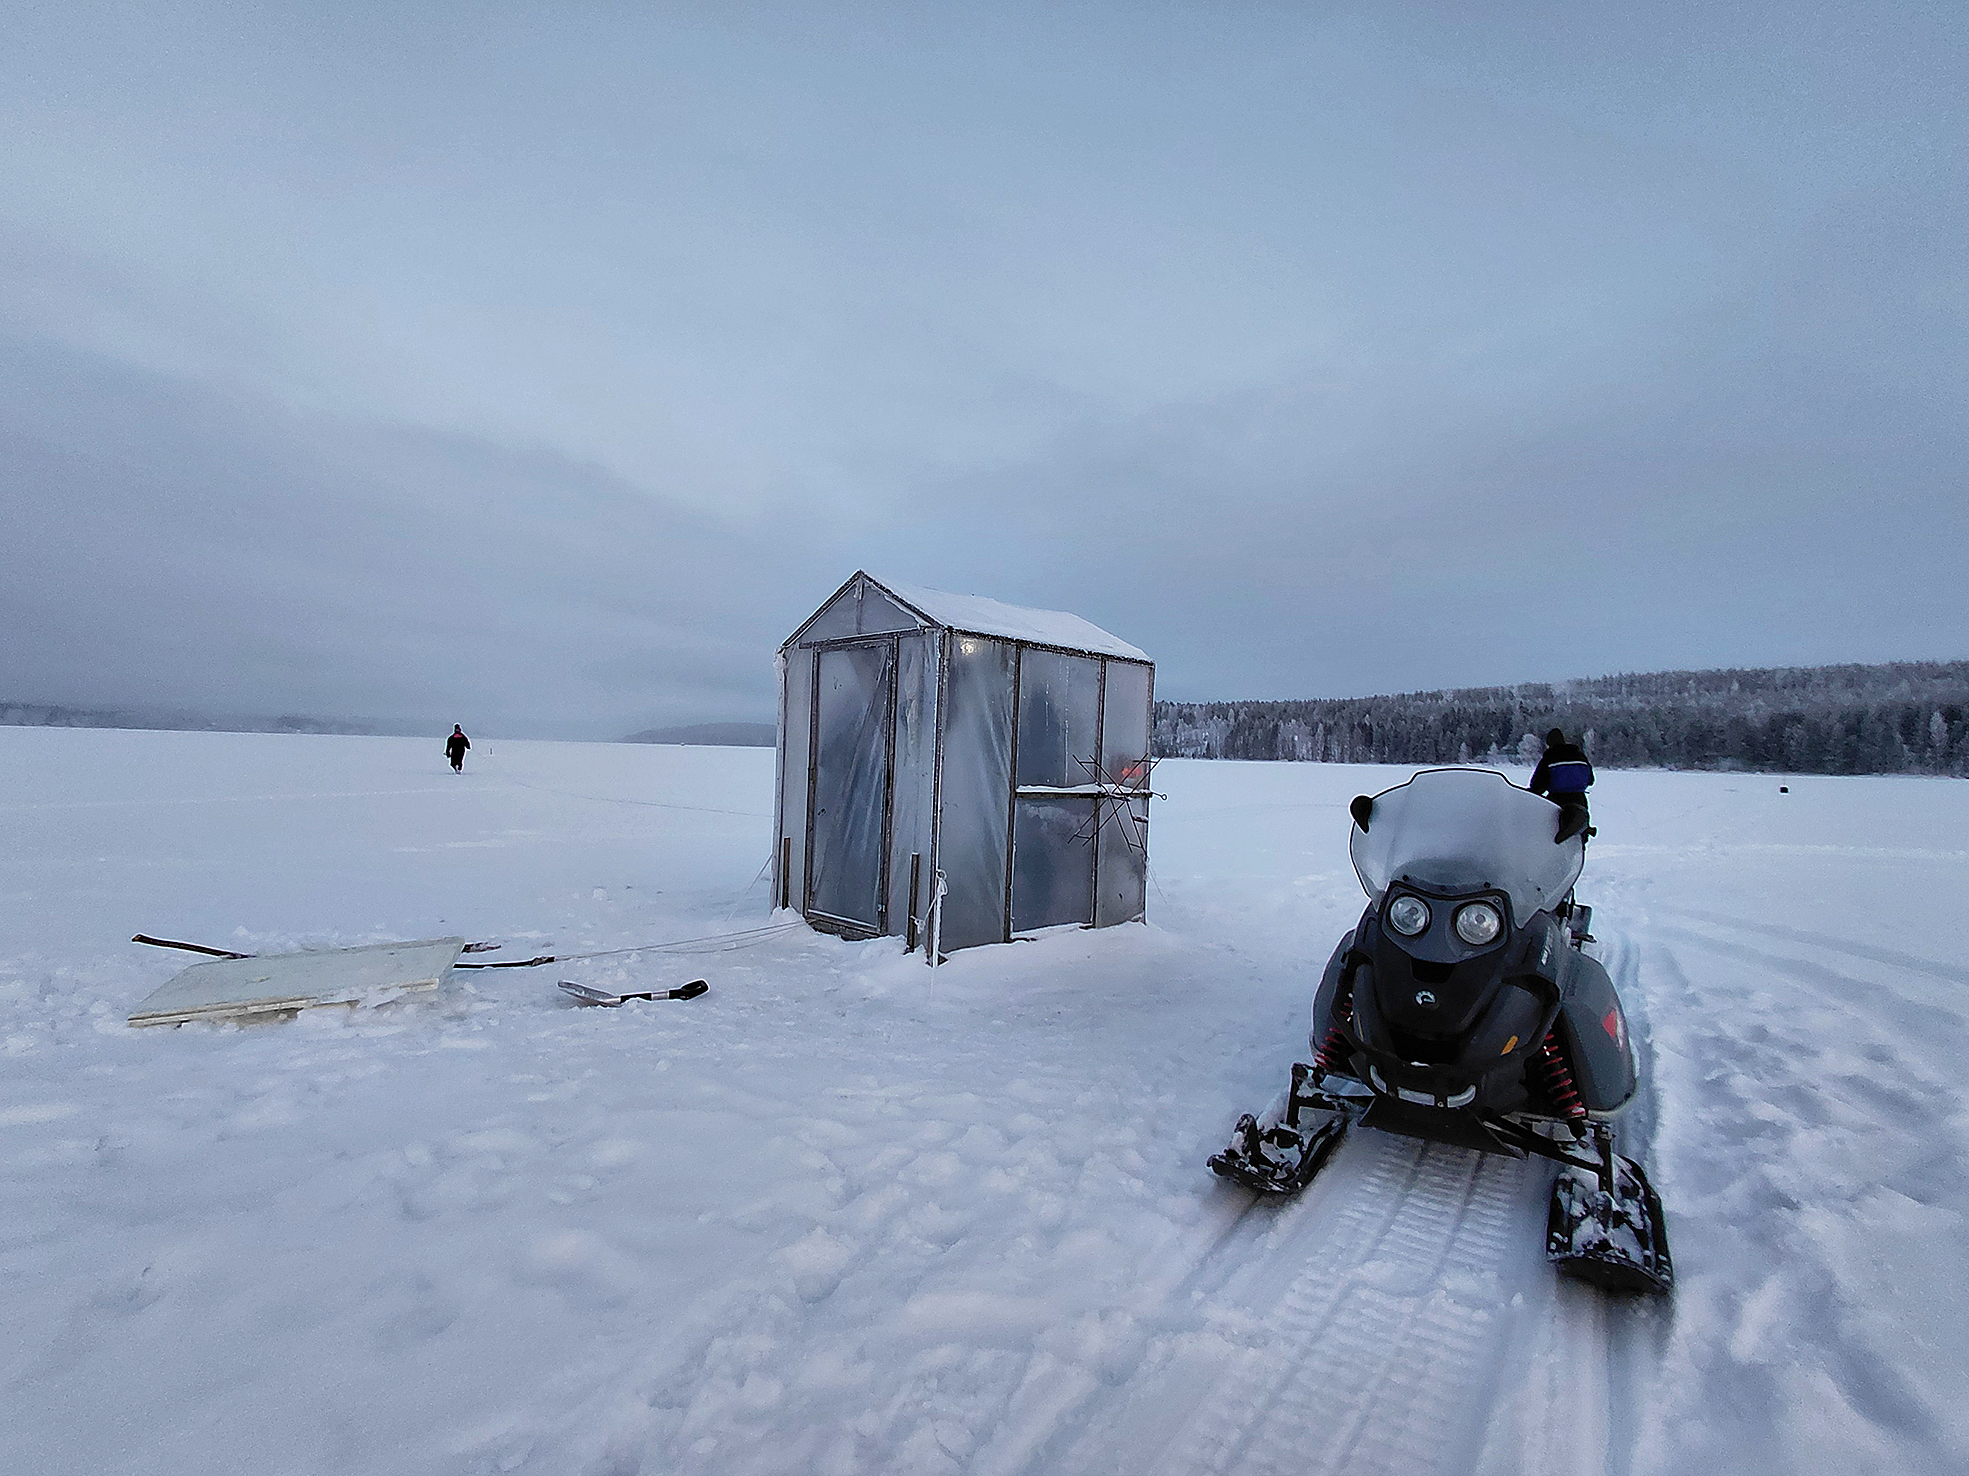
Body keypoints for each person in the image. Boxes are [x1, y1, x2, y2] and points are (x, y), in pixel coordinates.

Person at [1528, 727, 1592, 832]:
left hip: (1557, 801)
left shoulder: (1549, 758)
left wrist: (1531, 793)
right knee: (1579, 830)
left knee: (1553, 831)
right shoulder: (1580, 756)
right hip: (1580, 799)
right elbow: (1590, 780)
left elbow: (1538, 784)